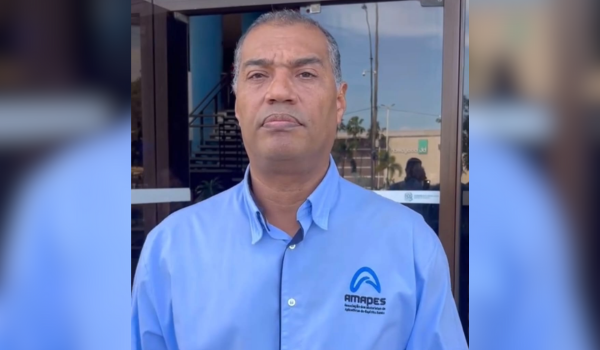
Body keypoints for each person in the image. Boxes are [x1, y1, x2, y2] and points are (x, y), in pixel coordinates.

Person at [131, 10, 467, 350]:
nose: (279, 91)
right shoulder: (170, 250)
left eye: (305, 73)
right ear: (236, 104)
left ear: (339, 101)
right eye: (258, 75)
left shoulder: (410, 246)